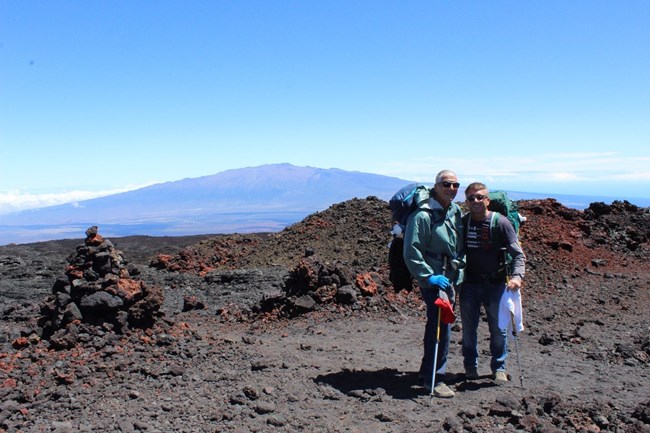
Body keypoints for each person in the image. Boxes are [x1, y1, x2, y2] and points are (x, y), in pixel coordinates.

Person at [403, 170, 465, 398]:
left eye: (456, 185)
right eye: (447, 184)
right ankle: (435, 379)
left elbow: (459, 244)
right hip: (434, 278)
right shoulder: (422, 215)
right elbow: (411, 251)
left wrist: (460, 263)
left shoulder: (455, 211)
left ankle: (426, 373)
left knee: (439, 324)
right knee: (442, 326)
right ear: (436, 186)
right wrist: (428, 277)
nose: (452, 188)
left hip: (450, 277)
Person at [460, 182, 525, 383]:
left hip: (496, 285)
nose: (476, 201)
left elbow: (518, 254)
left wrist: (517, 276)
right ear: (467, 201)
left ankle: (499, 367)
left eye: (480, 197)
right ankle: (470, 367)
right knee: (469, 329)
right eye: (471, 198)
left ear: (487, 200)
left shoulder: (501, 223)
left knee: (499, 329)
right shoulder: (463, 223)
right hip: (469, 284)